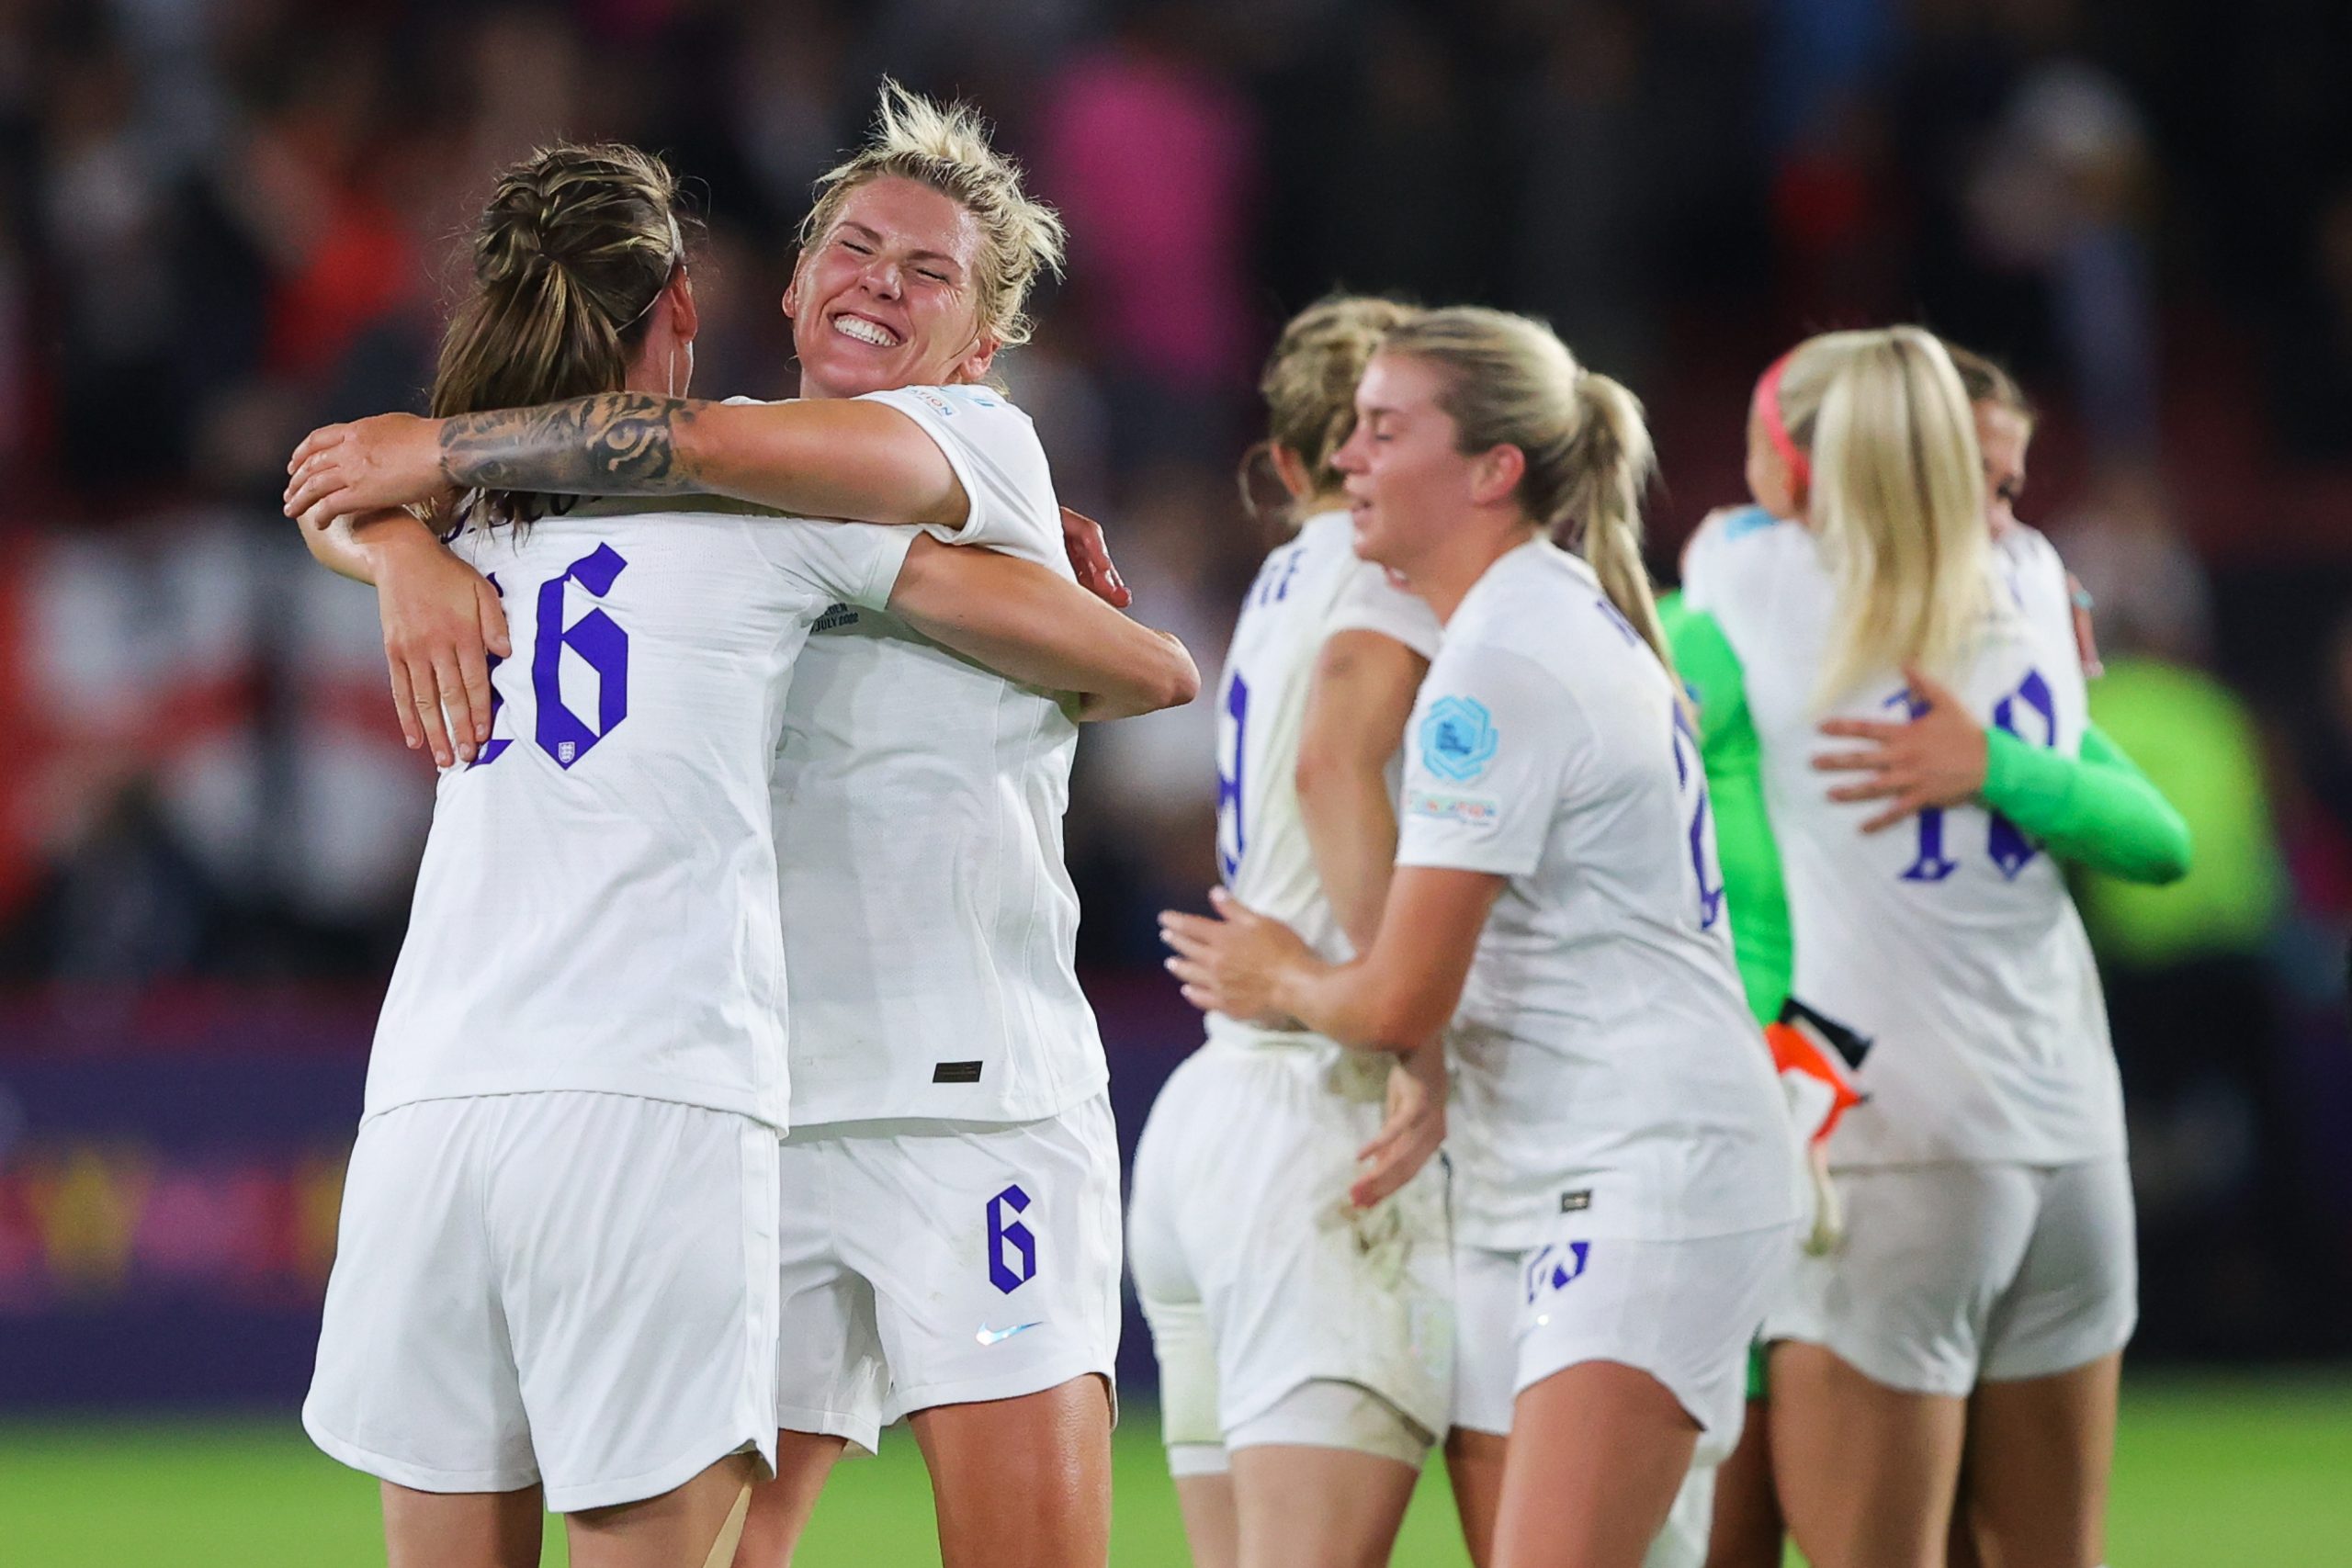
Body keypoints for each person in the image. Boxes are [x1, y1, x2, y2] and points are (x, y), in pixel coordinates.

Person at [287, 87, 1196, 1568]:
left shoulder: (950, 442)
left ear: (981, 348)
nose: (880, 282)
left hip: (968, 1097)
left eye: (929, 273)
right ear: (784, 286)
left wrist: (429, 466)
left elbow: (1152, 669)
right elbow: (457, 483)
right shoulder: (705, 477)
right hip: (757, 1101)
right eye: (855, 246)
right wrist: (396, 547)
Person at [1161, 306, 1799, 1568]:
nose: (1351, 457)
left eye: (1387, 430)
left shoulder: (1502, 657)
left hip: (1639, 1171)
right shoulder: (1524, 623)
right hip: (1546, 1176)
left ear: (1493, 470)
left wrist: (1278, 972)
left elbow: (1400, 1001)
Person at [1669, 340, 2192, 1568]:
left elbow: (1726, 543)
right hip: (2068, 1130)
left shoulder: (1750, 584)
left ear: (1804, 462)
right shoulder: (2032, 579)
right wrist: (2004, 762)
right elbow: (2156, 841)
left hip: (1889, 1134)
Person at [1125, 296, 1452, 1568]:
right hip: (1323, 1115)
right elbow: (1335, 769)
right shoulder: (1390, 571)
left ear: (1278, 465)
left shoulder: (1275, 579)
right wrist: (1397, 1008)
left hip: (1213, 1119)